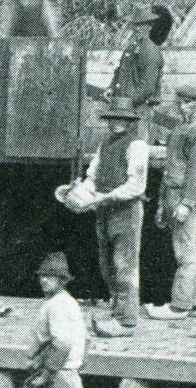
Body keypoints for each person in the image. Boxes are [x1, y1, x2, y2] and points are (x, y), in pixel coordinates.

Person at [61, 98, 150, 337]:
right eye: (112, 119)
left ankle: (126, 321)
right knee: (107, 264)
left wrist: (102, 198)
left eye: (121, 119)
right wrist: (78, 191)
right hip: (104, 210)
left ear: (130, 122)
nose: (116, 123)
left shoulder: (137, 145)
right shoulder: (105, 144)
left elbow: (136, 185)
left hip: (126, 210)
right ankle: (116, 308)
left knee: (125, 266)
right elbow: (93, 175)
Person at [146, 81, 196, 320]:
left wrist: (187, 202)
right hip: (172, 192)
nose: (182, 107)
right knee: (189, 247)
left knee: (184, 251)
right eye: (180, 102)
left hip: (182, 194)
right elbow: (170, 167)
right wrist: (161, 204)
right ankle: (195, 302)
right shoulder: (180, 129)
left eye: (188, 103)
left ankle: (180, 306)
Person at [20, 252, 87, 388]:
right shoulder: (67, 301)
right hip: (69, 377)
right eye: (42, 276)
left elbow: (62, 344)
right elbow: (87, 339)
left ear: (62, 280)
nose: (44, 280)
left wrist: (45, 375)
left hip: (57, 378)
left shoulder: (57, 305)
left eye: (50, 276)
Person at [109, 6, 170, 110]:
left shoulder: (150, 50)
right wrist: (111, 88)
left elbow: (148, 87)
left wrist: (129, 103)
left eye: (141, 24)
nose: (136, 28)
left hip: (138, 109)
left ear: (150, 26)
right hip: (124, 107)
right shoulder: (133, 47)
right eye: (135, 24)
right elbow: (121, 71)